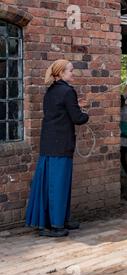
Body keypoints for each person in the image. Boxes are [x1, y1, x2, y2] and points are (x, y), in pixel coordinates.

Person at [25, 59, 89, 237]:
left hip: (49, 143)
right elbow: (77, 118)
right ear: (61, 73)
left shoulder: (51, 91)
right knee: (59, 185)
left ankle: (62, 219)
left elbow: (61, 112)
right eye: (70, 71)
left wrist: (77, 107)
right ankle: (56, 225)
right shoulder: (68, 91)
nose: (72, 73)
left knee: (53, 184)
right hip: (61, 145)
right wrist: (86, 114)